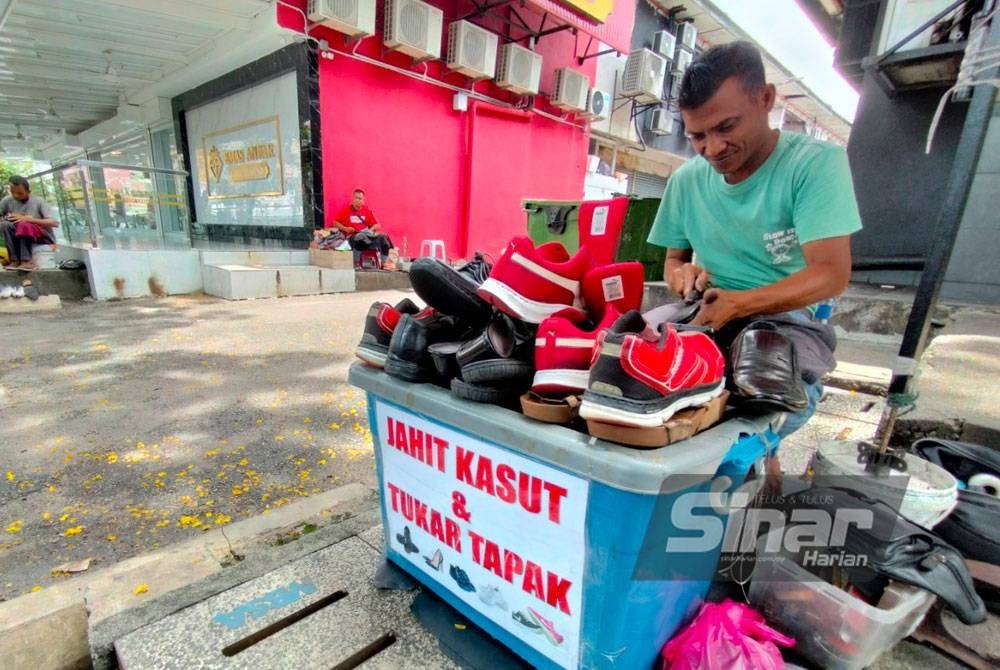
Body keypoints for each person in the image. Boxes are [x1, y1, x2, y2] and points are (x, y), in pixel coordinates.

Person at [646, 41, 862, 439]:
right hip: (706, 308)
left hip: (786, 319)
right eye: (697, 136)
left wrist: (739, 304)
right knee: (625, 356)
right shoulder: (686, 180)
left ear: (766, 99)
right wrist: (684, 275)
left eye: (726, 127)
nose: (712, 148)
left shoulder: (815, 164)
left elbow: (831, 274)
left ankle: (757, 459)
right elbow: (673, 262)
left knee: (764, 396)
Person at [1, 176, 59, 271]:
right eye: (13, 192)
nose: (16, 196)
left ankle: (26, 261)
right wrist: (8, 217)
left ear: (29, 192)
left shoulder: (39, 201)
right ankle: (14, 260)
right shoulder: (7, 201)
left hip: (41, 237)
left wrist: (29, 219)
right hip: (17, 235)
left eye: (20, 193)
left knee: (23, 224)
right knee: (5, 225)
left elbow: (54, 223)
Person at [329, 188, 393, 262]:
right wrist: (345, 228)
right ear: (352, 199)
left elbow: (378, 225)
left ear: (363, 200)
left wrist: (370, 230)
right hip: (353, 237)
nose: (358, 200)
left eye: (360, 198)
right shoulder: (346, 210)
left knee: (383, 236)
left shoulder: (367, 211)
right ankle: (356, 262)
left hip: (367, 237)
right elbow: (335, 223)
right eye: (356, 198)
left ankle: (384, 262)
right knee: (359, 236)